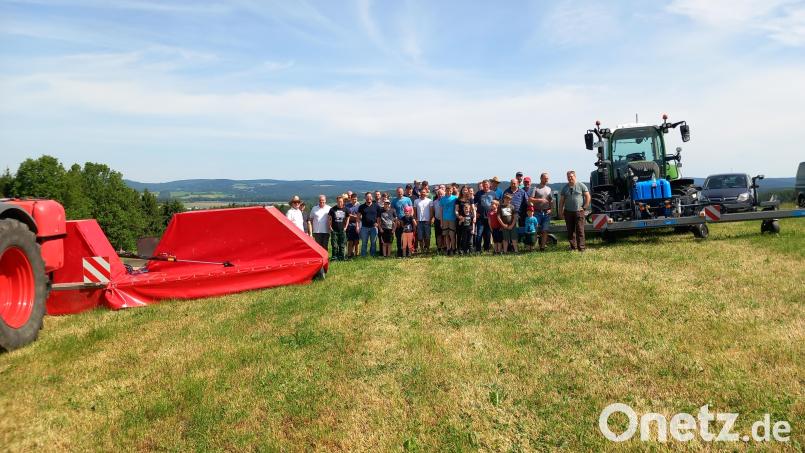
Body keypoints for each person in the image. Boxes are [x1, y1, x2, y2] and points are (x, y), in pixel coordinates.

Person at [559, 170, 591, 252]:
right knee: (570, 230)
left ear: (575, 176)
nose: (570, 178)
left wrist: (585, 207)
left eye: (571, 176)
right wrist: (560, 211)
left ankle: (581, 248)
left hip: (579, 211)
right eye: (568, 177)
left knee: (580, 230)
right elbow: (561, 201)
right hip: (568, 211)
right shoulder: (565, 188)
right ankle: (573, 247)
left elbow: (588, 196)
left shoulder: (581, 185)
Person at [529, 172, 553, 251]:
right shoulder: (535, 188)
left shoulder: (549, 189)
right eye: (545, 178)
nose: (547, 180)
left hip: (546, 213)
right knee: (534, 229)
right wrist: (540, 200)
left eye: (547, 178)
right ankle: (533, 247)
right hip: (537, 212)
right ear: (541, 178)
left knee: (545, 230)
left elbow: (551, 201)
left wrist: (551, 209)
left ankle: (542, 247)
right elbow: (530, 199)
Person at [474, 179, 495, 253]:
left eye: (486, 184)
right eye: (483, 185)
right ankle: (478, 250)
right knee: (479, 234)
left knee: (488, 235)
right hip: (480, 217)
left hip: (489, 217)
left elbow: (496, 204)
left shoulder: (493, 193)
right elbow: (474, 204)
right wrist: (475, 212)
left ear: (489, 185)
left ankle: (486, 249)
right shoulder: (479, 193)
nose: (485, 186)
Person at [358, 192, 382, 257]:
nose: (369, 198)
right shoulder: (361, 207)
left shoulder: (376, 206)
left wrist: (377, 223)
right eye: (367, 197)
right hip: (364, 227)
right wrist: (358, 226)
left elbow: (379, 217)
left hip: (374, 228)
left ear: (372, 197)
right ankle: (363, 255)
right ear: (365, 198)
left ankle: (373, 255)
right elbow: (358, 217)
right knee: (364, 243)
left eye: (370, 197)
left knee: (373, 243)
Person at [391, 187, 413, 258]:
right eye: (398, 192)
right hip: (398, 222)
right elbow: (392, 212)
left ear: (403, 192)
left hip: (407, 222)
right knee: (398, 238)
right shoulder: (394, 201)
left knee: (407, 238)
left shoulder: (408, 199)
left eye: (400, 192)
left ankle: (407, 252)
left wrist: (410, 219)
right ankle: (399, 252)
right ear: (396, 192)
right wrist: (396, 220)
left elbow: (411, 210)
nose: (399, 193)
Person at [439, 185, 459, 255]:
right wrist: (441, 222)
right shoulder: (442, 199)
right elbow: (441, 211)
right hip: (445, 219)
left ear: (452, 191)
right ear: (445, 191)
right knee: (446, 235)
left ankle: (454, 248)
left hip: (452, 219)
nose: (449, 192)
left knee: (452, 235)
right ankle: (448, 249)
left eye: (450, 191)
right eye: (447, 191)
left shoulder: (455, 198)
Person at [328, 196, 349, 260]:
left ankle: (342, 257)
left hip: (342, 229)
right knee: (334, 245)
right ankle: (334, 257)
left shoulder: (346, 209)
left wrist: (346, 227)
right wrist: (330, 227)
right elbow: (329, 219)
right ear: (337, 201)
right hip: (334, 230)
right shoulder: (332, 209)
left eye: (341, 201)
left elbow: (348, 218)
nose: (340, 203)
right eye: (338, 201)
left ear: (343, 202)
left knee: (342, 244)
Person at [456, 186, 475, 254]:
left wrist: (474, 217)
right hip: (461, 219)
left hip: (469, 218)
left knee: (469, 236)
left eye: (466, 190)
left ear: (468, 191)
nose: (464, 191)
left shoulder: (470, 199)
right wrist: (459, 217)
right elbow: (456, 210)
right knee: (460, 236)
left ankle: (468, 250)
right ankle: (460, 250)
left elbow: (473, 209)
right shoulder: (458, 199)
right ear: (461, 191)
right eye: (463, 190)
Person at [414, 187, 433, 253]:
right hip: (419, 221)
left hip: (427, 220)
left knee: (427, 236)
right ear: (419, 193)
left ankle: (427, 248)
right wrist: (416, 219)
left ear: (426, 193)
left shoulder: (429, 201)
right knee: (420, 237)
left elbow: (431, 211)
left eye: (424, 192)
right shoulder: (416, 201)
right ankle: (422, 249)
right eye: (421, 192)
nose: (423, 193)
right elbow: (415, 211)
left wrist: (430, 219)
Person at [346, 192, 361, 258]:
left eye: (355, 199)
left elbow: (361, 216)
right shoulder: (347, 206)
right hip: (350, 225)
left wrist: (353, 216)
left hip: (357, 225)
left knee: (357, 241)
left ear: (357, 199)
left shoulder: (359, 206)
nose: (354, 200)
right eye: (353, 199)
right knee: (350, 241)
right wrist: (356, 216)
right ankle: (349, 254)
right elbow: (347, 215)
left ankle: (357, 254)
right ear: (350, 199)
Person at [433, 186, 444, 253]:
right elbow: (434, 211)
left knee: (444, 235)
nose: (440, 195)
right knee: (438, 235)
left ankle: (445, 247)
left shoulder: (445, 201)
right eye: (439, 194)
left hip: (445, 220)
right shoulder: (435, 202)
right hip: (437, 220)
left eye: (441, 194)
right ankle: (439, 248)